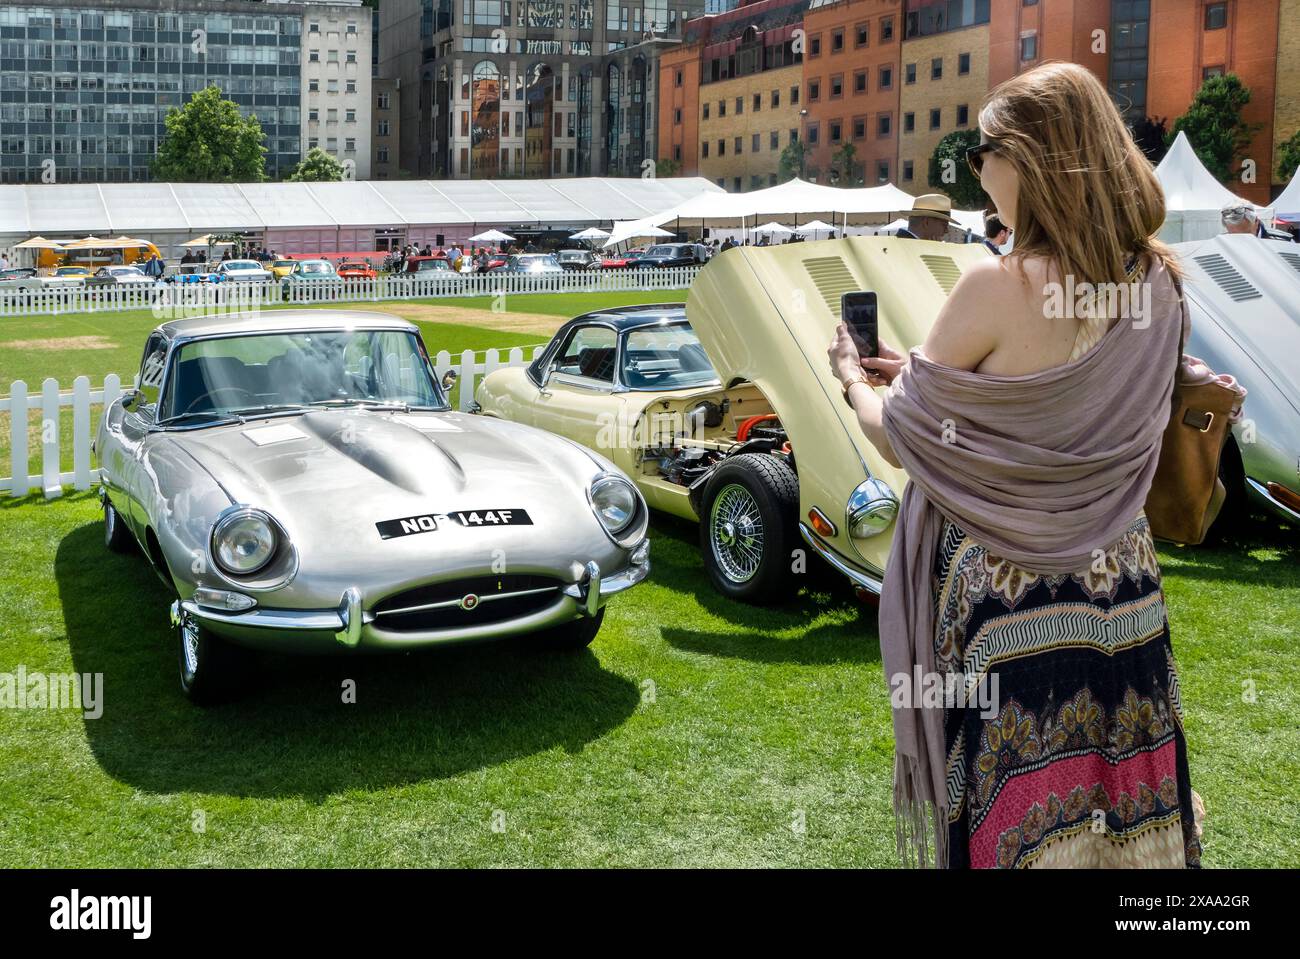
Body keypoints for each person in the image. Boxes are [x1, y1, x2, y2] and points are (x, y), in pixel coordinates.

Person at [827, 61, 1214, 869]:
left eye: (983, 151)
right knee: (1129, 811)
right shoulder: (1160, 284)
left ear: (1033, 161)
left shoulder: (995, 287)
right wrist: (931, 384)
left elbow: (901, 437)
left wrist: (853, 380)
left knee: (1026, 824)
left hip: (1012, 605)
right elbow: (1035, 406)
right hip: (1128, 591)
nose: (978, 173)